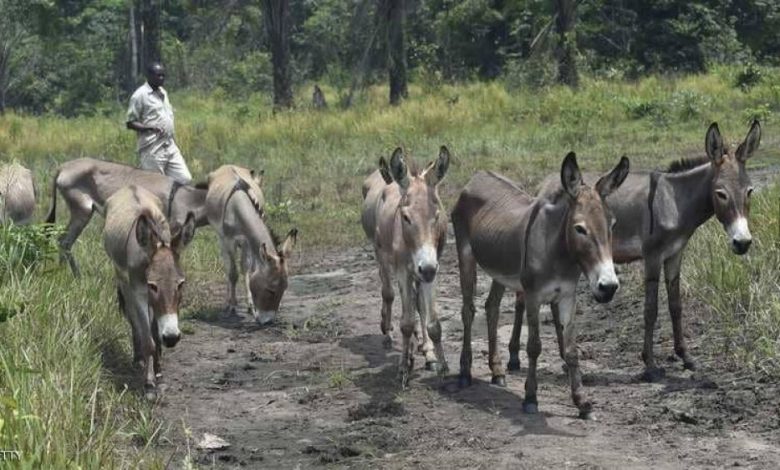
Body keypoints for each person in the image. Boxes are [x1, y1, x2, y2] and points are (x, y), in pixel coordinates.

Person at [126, 63, 192, 184]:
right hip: (152, 147)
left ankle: (171, 201)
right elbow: (130, 122)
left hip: (169, 145)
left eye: (163, 76)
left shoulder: (163, 92)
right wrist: (149, 127)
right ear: (149, 76)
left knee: (184, 179)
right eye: (158, 75)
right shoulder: (140, 95)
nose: (161, 78)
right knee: (155, 184)